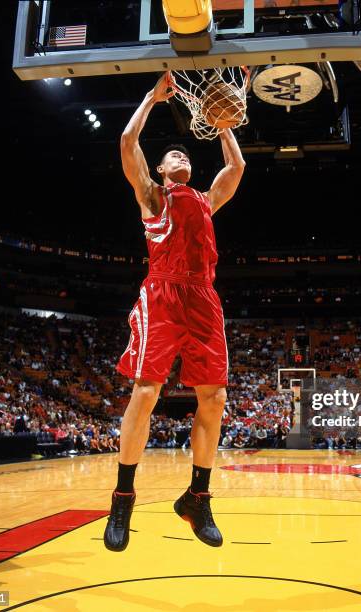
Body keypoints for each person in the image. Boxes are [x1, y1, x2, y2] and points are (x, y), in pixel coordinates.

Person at [104, 72, 245, 552]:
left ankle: (197, 497)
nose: (180, 156)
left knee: (215, 398)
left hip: (203, 298)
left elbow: (237, 167)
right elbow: (127, 140)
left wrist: (221, 121)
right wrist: (151, 97)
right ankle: (123, 496)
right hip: (163, 296)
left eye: (185, 154)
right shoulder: (152, 197)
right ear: (163, 171)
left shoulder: (205, 201)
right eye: (172, 156)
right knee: (146, 391)